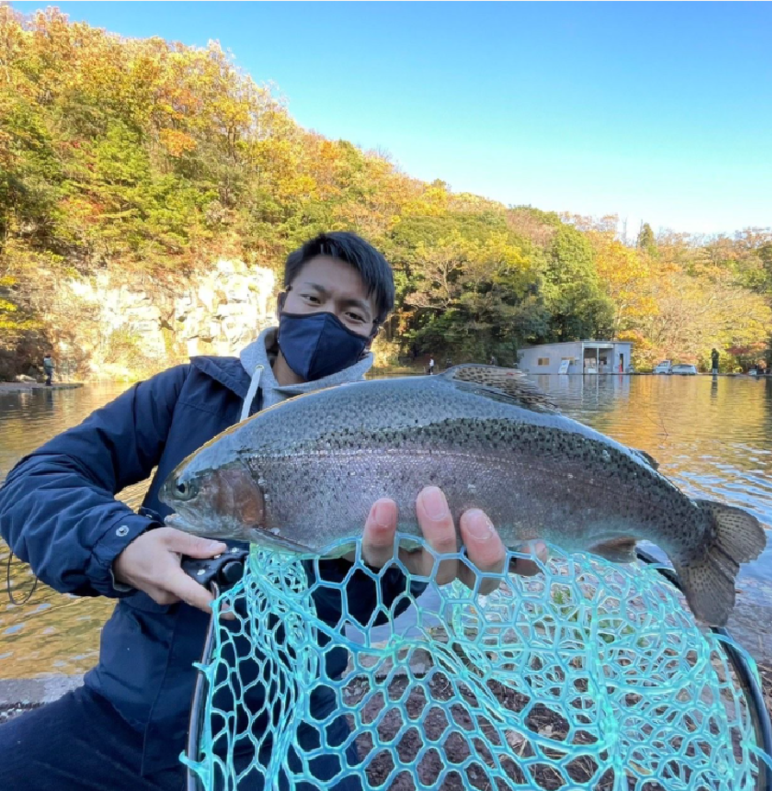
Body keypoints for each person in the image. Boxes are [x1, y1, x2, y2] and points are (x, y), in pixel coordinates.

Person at [0, 232, 545, 791]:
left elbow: (367, 609)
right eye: (313, 299)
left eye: (351, 312)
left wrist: (406, 571)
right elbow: (33, 480)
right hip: (122, 712)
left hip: (293, 728)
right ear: (283, 301)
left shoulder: (398, 425)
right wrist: (120, 542)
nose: (327, 318)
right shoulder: (186, 392)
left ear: (369, 336)